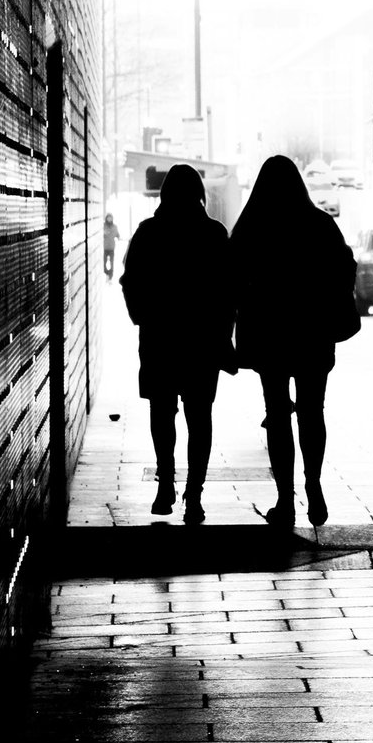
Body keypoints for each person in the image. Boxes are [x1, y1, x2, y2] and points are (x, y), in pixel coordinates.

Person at [230, 155, 358, 528]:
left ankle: (286, 500)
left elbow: (232, 278)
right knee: (312, 411)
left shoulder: (252, 226)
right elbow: (345, 267)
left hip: (269, 336)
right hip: (313, 333)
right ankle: (314, 485)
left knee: (278, 415)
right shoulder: (320, 224)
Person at [120, 165, 235, 523]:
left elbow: (130, 281)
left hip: (160, 338)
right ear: (199, 193)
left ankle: (165, 484)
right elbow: (229, 291)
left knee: (162, 411)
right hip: (202, 340)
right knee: (199, 417)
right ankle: (195, 496)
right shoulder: (215, 234)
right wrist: (223, 333)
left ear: (165, 194)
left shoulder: (148, 232)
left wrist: (143, 316)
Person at [102, 212, 118, 281]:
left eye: (110, 217)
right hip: (105, 247)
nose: (109, 219)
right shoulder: (103, 226)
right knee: (105, 262)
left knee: (112, 262)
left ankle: (111, 276)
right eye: (108, 217)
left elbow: (117, 234)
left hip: (111, 247)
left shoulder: (115, 226)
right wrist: (104, 233)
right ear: (106, 218)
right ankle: (106, 272)